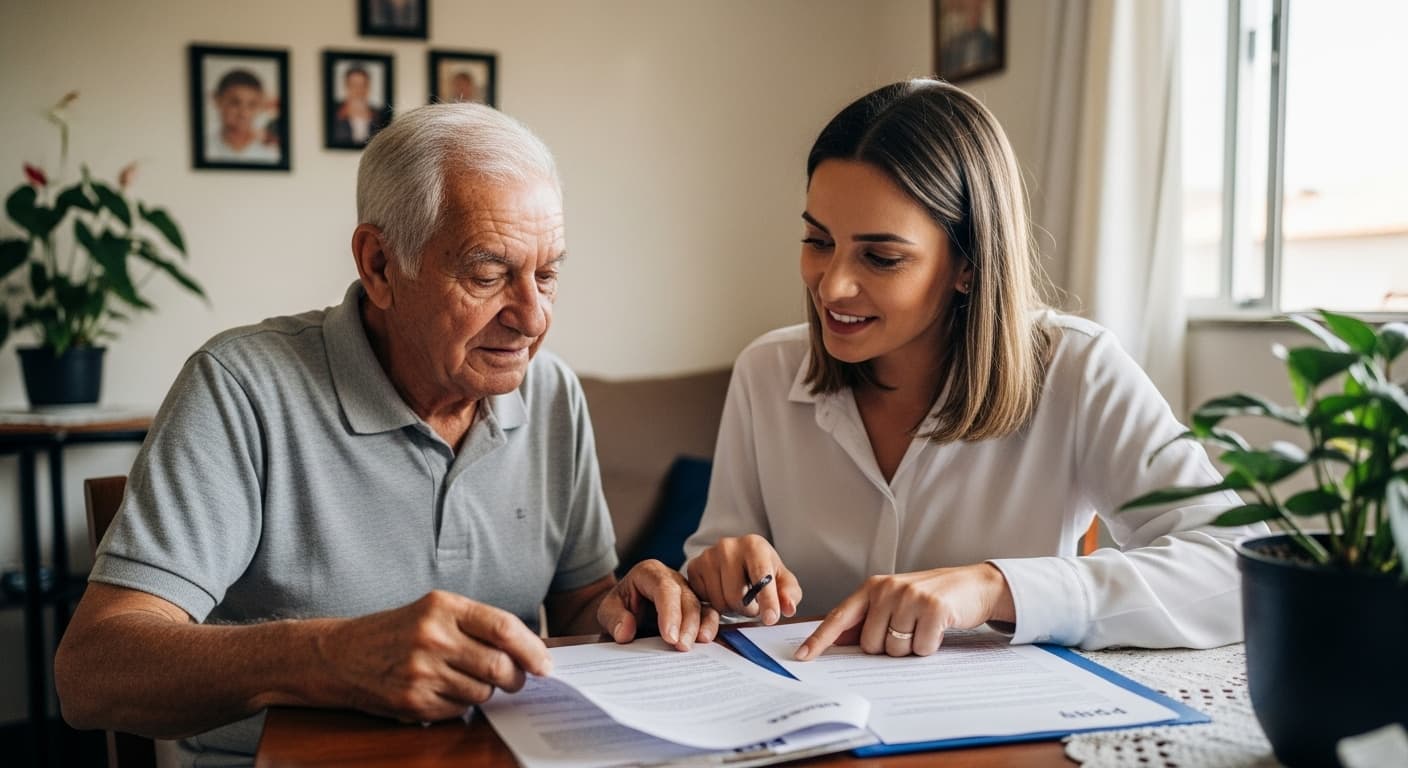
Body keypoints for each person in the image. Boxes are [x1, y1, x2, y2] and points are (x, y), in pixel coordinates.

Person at [55, 103, 715, 766]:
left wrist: (624, 607)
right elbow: (90, 674)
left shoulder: (552, 395)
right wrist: (331, 656)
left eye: (546, 275)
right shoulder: (241, 387)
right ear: (379, 264)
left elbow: (579, 604)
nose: (533, 317)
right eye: (489, 275)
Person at [683, 79, 1265, 663]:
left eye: (881, 257)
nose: (831, 285)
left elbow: (1239, 567)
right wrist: (713, 577)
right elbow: (715, 581)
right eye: (818, 240)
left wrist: (995, 588)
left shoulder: (1077, 368)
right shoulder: (765, 372)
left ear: (968, 263)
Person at [207, 68, 280, 164]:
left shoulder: (272, 151)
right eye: (235, 103)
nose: (243, 113)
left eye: (252, 105)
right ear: (217, 100)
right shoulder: (207, 146)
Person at [332, 64, 393, 146]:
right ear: (346, 86)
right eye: (354, 85)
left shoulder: (379, 115)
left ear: (368, 87)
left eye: (363, 85)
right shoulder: (336, 113)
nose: (358, 90)